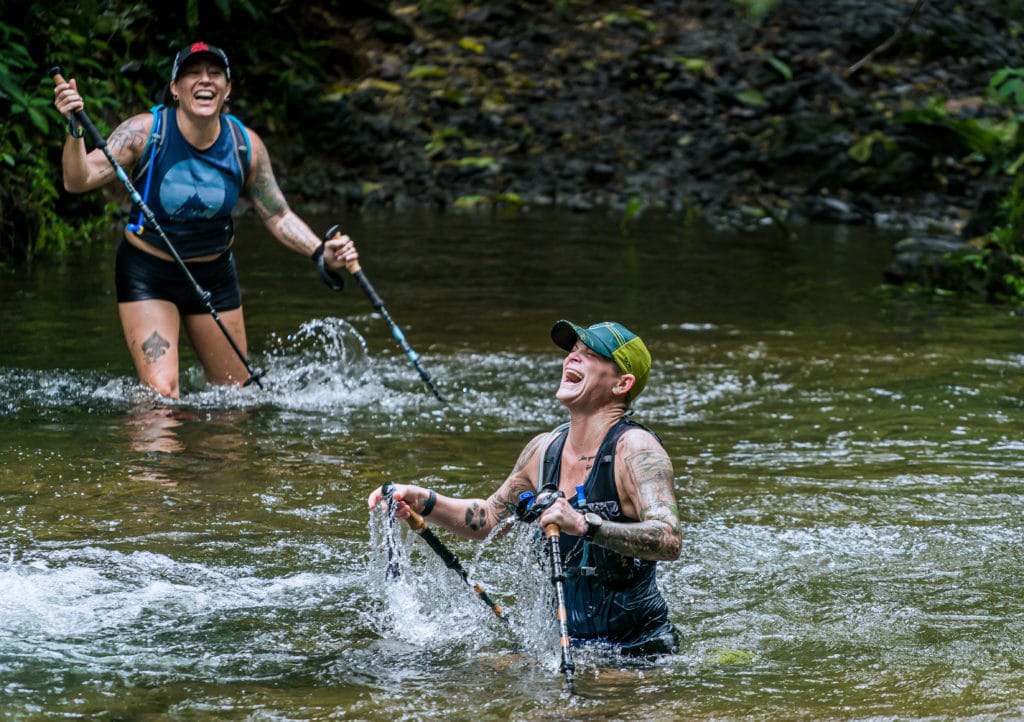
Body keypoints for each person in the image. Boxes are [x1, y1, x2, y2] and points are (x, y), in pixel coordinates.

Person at [52, 41, 359, 398]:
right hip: (149, 273)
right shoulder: (146, 132)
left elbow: (277, 214)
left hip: (214, 274)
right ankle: (149, 454)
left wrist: (320, 252)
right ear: (175, 89)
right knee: (160, 394)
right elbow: (78, 180)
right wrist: (75, 129)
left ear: (227, 90)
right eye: (192, 73)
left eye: (215, 74)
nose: (205, 81)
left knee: (235, 397)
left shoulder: (245, 145)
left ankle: (204, 457)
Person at [369, 320, 682, 655]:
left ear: (622, 383)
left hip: (638, 651)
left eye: (589, 354)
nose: (571, 359)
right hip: (564, 648)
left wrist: (584, 525)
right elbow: (488, 518)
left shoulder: (635, 449)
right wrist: (424, 501)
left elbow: (668, 539)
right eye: (572, 352)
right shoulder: (544, 450)